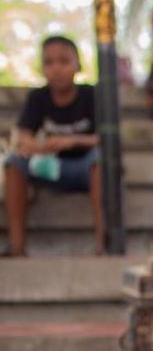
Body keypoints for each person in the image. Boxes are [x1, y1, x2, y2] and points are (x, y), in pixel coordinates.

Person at [3, 36, 102, 257]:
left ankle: (101, 244)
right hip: (50, 166)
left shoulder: (89, 95)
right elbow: (22, 137)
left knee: (100, 160)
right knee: (14, 163)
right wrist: (39, 146)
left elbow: (105, 138)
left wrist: (72, 141)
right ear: (42, 68)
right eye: (49, 62)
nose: (56, 69)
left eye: (64, 61)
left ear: (78, 66)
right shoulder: (38, 97)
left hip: (85, 167)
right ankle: (16, 247)